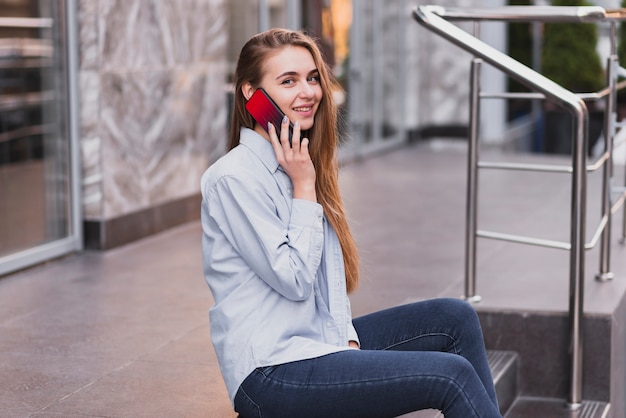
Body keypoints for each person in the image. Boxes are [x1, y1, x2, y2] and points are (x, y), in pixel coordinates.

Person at [200, 28, 502, 418]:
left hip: (318, 344)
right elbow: (293, 279)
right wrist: (304, 186)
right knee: (450, 376)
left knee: (454, 317)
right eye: (288, 81)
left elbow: (328, 281)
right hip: (271, 372)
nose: (307, 92)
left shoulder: (296, 162)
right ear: (250, 94)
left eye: (312, 78)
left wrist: (347, 341)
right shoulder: (234, 178)